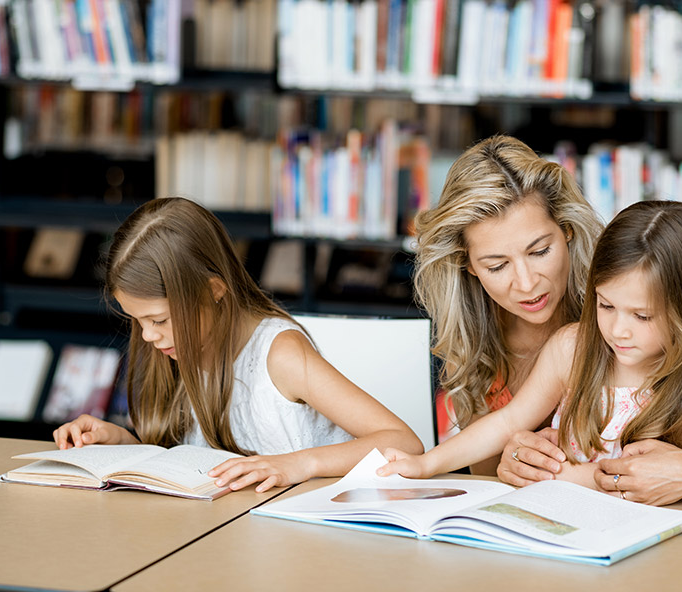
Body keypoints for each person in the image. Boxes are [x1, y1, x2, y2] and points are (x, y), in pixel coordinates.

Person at [411, 135, 682, 503]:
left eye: (540, 251)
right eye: (497, 265)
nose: (526, 283)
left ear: (567, 229)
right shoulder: (491, 346)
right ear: (467, 265)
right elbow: (490, 482)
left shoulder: (660, 289)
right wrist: (514, 464)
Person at [52, 197, 423, 493]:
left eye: (159, 320)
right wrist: (123, 443)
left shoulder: (281, 355)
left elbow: (403, 442)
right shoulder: (176, 348)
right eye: (138, 322)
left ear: (214, 291)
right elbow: (190, 461)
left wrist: (299, 463)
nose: (148, 336)